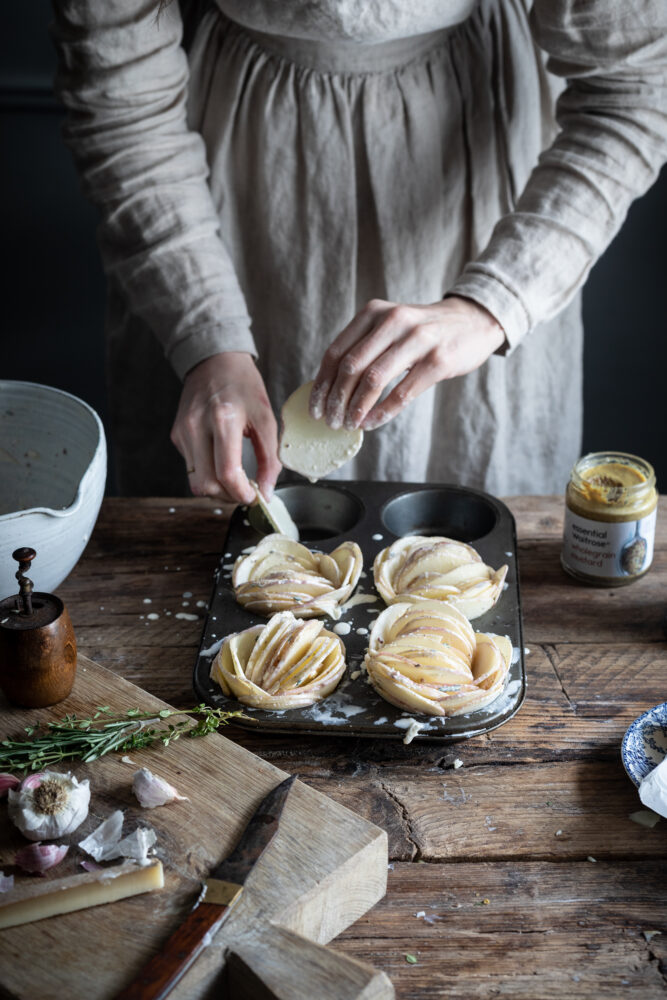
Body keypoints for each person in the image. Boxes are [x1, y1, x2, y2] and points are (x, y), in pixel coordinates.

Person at [51, 0, 667, 502]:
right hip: (225, 188)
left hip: (482, 186)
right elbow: (117, 89)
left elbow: (633, 90)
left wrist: (492, 303)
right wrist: (207, 335)